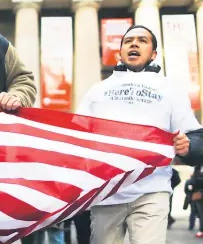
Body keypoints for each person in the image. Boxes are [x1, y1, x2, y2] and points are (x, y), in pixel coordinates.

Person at [76, 25, 203, 244]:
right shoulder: (96, 91)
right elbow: (77, 135)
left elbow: (196, 136)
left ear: (153, 54)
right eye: (128, 41)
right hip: (106, 193)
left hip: (151, 191)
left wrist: (188, 146)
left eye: (142, 40)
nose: (134, 43)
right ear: (121, 52)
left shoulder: (170, 89)